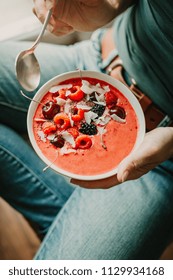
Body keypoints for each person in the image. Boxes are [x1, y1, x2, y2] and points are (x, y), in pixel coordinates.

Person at [0, 0, 173, 259]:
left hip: (159, 152)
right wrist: (105, 6)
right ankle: (62, 215)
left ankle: (68, 224)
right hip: (98, 58)